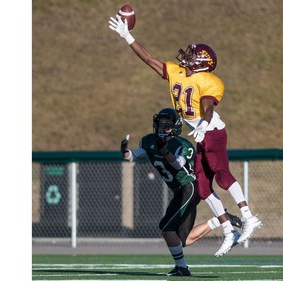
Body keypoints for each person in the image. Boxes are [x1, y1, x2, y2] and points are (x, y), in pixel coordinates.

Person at [109, 15, 262, 257]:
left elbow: (208, 105)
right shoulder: (177, 72)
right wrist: (127, 36)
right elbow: (149, 59)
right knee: (202, 187)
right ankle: (227, 229)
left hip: (212, 132)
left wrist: (205, 122)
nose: (186, 57)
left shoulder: (208, 81)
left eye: (192, 55)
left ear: (201, 63)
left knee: (221, 175)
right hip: (201, 135)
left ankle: (248, 217)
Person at [120, 108, 242, 276]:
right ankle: (222, 219)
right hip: (179, 192)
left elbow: (179, 164)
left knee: (166, 227)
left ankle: (182, 268)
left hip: (189, 188)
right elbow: (134, 155)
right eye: (161, 125)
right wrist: (125, 152)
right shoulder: (149, 140)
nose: (163, 129)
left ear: (175, 127)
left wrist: (165, 151)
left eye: (167, 126)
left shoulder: (181, 144)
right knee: (183, 239)